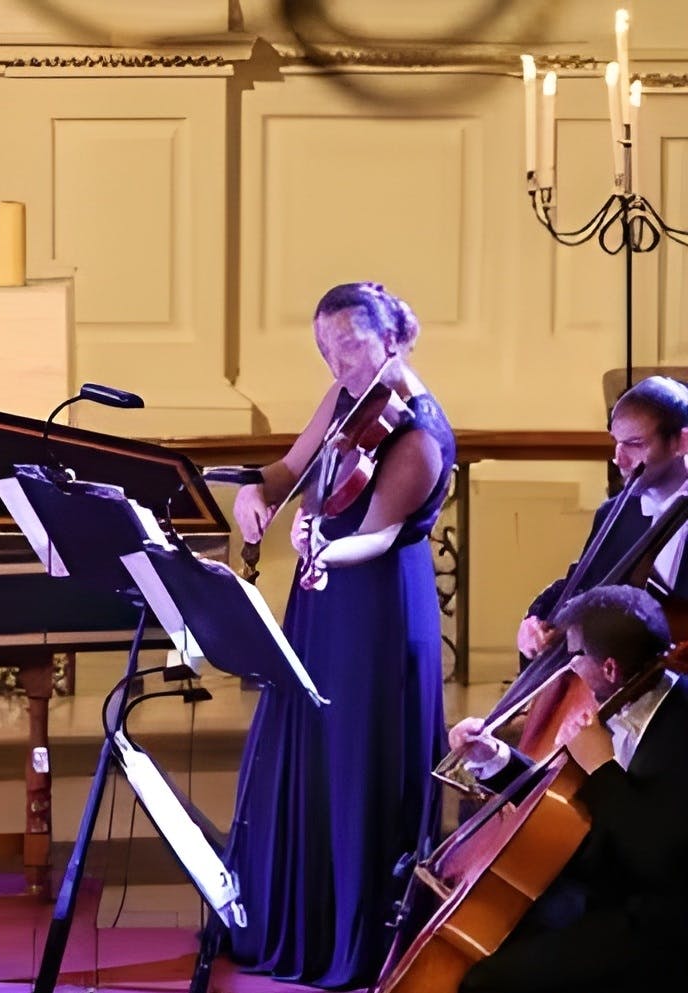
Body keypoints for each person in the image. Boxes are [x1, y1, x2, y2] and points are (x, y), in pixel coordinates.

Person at [226, 281, 454, 987]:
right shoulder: (343, 404)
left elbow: (378, 537)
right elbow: (289, 470)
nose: (338, 362)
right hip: (324, 596)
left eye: (351, 344)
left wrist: (318, 547)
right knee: (305, 748)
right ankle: (295, 915)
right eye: (326, 348)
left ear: (392, 337)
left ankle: (354, 937)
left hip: (377, 609)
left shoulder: (416, 431)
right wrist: (251, 492)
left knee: (356, 757)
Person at [448, 584, 688, 993]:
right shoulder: (620, 695)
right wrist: (492, 757)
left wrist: (601, 767)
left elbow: (657, 859)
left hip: (656, 924)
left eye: (576, 656)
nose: (570, 667)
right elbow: (561, 800)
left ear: (610, 667)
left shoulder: (680, 727)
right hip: (596, 892)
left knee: (485, 982)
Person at [517, 375, 688, 663]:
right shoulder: (615, 513)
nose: (619, 459)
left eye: (634, 444)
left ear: (681, 442)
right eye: (616, 443)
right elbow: (583, 586)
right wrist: (535, 622)